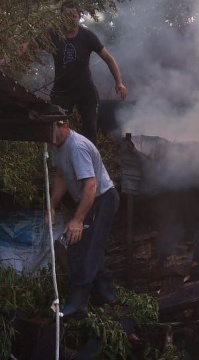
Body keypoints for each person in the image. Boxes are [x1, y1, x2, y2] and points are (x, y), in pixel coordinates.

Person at [46, 119, 120, 319]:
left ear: (65, 125)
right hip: (91, 200)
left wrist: (77, 220)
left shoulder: (76, 146)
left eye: (55, 127)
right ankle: (106, 298)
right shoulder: (57, 147)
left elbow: (90, 185)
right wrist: (51, 206)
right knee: (84, 247)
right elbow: (61, 177)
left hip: (102, 199)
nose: (51, 132)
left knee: (83, 249)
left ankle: (79, 304)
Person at [50, 1, 127, 144]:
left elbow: (109, 59)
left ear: (79, 17)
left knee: (90, 129)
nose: (70, 18)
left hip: (85, 91)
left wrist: (119, 82)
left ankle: (89, 162)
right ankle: (60, 164)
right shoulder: (53, 35)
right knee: (58, 130)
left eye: (73, 15)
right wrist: (6, 60)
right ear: (61, 17)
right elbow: (29, 47)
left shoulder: (88, 36)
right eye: (66, 15)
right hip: (61, 92)